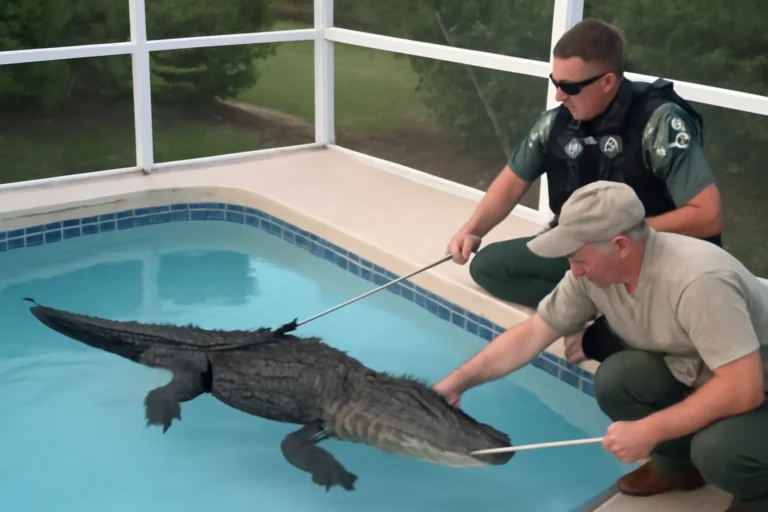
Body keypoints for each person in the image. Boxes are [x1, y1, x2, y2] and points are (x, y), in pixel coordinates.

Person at [434, 181, 767, 512]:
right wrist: (451, 386)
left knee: (719, 450)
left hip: (756, 386)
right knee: (619, 379)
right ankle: (679, 469)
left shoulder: (699, 281)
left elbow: (743, 388)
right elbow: (533, 333)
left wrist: (649, 430)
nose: (572, 269)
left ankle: (757, 495)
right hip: (710, 371)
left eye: (579, 259)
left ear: (620, 245)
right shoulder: (591, 274)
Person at [446, 18, 723, 365]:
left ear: (608, 81)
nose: (559, 94)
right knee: (489, 267)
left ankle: (624, 324)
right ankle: (599, 311)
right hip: (584, 254)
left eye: (570, 87)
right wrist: (473, 229)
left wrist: (625, 235)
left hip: (645, 260)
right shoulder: (556, 122)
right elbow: (513, 179)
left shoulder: (661, 122)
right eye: (555, 82)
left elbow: (707, 216)